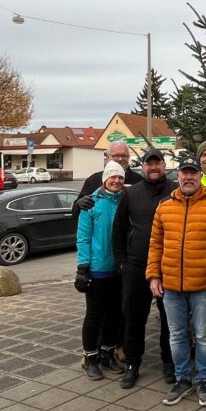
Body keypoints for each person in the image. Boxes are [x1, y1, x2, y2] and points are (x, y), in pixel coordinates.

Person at [146, 155, 206, 406]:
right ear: (178, 176)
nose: (189, 177)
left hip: (203, 286)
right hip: (171, 285)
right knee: (177, 335)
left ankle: (204, 380)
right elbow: (155, 245)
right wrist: (153, 275)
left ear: (199, 176)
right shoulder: (164, 206)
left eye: (193, 173)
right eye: (184, 173)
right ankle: (182, 379)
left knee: (204, 336)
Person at [111, 148, 177, 389]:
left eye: (157, 163)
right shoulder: (132, 193)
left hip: (168, 266)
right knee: (134, 318)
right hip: (136, 266)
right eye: (149, 164)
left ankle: (169, 362)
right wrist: (122, 261)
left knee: (170, 318)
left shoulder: (175, 191)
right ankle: (132, 363)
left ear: (164, 164)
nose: (153, 167)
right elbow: (118, 229)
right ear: (143, 166)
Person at [75, 161, 127, 380]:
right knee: (94, 316)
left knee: (115, 315)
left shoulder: (126, 200)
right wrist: (82, 269)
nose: (116, 181)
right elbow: (83, 238)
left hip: (119, 270)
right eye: (112, 177)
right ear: (105, 179)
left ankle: (108, 353)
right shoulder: (91, 204)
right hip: (97, 269)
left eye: (120, 178)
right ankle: (90, 358)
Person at [73, 142, 141, 218]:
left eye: (124, 155)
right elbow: (76, 212)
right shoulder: (93, 180)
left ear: (128, 157)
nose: (120, 159)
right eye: (116, 155)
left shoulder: (138, 180)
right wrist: (79, 204)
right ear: (108, 157)